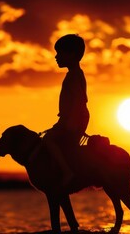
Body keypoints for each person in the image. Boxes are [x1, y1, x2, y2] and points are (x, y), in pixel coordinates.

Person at [43, 34, 90, 187]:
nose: (56, 57)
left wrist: (68, 125)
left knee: (48, 140)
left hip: (74, 120)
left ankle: (67, 171)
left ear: (72, 55)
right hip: (71, 119)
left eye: (60, 53)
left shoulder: (74, 75)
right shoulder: (73, 74)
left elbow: (79, 100)